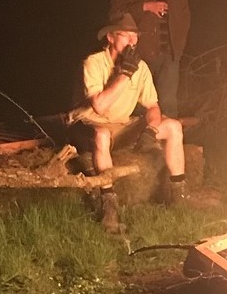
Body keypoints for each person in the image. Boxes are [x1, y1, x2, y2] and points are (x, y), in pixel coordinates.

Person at [71, 13, 187, 206]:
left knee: (173, 126)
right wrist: (125, 74)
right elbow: (99, 107)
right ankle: (109, 201)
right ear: (111, 37)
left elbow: (152, 105)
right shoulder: (94, 63)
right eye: (126, 36)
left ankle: (179, 195)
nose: (133, 42)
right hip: (89, 125)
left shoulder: (140, 68)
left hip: (121, 126)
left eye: (136, 37)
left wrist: (151, 129)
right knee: (102, 135)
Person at [109, 0, 190, 117]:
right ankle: (139, 144)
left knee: (168, 103)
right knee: (139, 103)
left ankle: (169, 143)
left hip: (169, 53)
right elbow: (115, 13)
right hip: (139, 53)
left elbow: (185, 13)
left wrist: (178, 46)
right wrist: (145, 6)